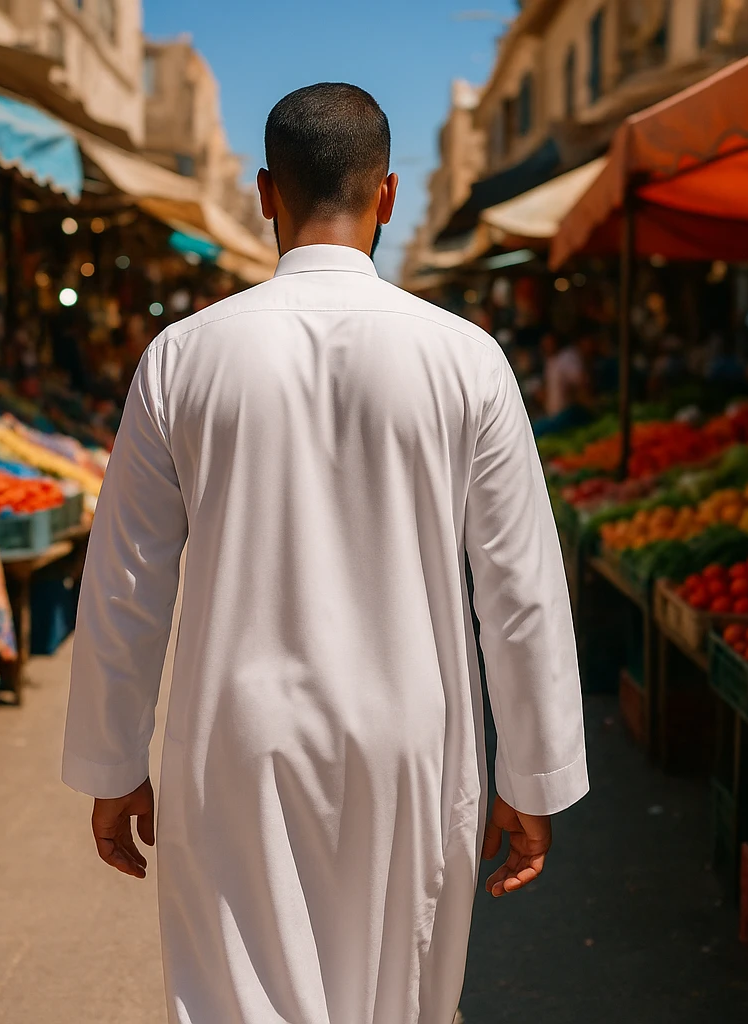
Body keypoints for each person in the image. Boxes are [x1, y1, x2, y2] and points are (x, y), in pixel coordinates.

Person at [61, 83, 588, 1024]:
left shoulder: (182, 358)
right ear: (388, 196)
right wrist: (534, 774)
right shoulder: (467, 358)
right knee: (401, 1000)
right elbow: (520, 587)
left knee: (239, 1002)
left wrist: (112, 763)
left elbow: (126, 584)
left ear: (268, 193)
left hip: (234, 741)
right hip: (413, 742)